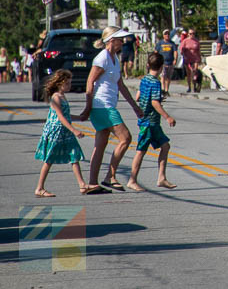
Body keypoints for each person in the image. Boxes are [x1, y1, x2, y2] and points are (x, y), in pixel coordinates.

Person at [79, 26, 144, 194]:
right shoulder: (102, 58)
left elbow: (120, 85)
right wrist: (88, 106)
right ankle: (110, 176)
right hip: (102, 106)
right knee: (126, 137)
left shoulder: (114, 57)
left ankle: (92, 183)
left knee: (100, 145)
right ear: (111, 41)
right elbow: (90, 82)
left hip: (107, 105)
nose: (123, 42)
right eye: (120, 39)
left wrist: (135, 106)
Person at [33, 69, 89, 197]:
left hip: (65, 131)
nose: (70, 86)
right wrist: (74, 130)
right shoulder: (56, 97)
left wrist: (79, 117)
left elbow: (67, 115)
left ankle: (82, 184)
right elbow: (61, 117)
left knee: (74, 155)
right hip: (56, 132)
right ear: (59, 84)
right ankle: (39, 188)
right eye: (67, 83)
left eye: (70, 83)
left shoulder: (63, 96)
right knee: (49, 159)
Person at [127, 53, 177, 191]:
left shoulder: (144, 79)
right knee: (141, 151)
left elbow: (138, 96)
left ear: (148, 65)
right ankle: (132, 180)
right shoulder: (155, 82)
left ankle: (162, 178)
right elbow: (155, 102)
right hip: (149, 123)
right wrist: (167, 117)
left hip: (152, 122)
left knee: (165, 146)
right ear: (161, 67)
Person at [179, 28, 203, 92]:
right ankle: (189, 87)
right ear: (188, 34)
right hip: (187, 59)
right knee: (189, 73)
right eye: (190, 33)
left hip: (195, 59)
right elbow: (181, 50)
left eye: (193, 33)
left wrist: (200, 58)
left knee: (195, 72)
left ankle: (195, 86)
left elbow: (198, 51)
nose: (192, 35)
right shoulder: (185, 41)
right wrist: (183, 53)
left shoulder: (196, 41)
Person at [155, 29, 176, 95]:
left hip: (170, 62)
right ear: (163, 35)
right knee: (163, 76)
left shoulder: (172, 43)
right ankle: (163, 89)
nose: (167, 35)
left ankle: (167, 90)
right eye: (165, 34)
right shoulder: (160, 43)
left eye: (168, 34)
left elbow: (175, 52)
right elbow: (156, 52)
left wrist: (175, 59)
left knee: (168, 77)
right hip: (162, 62)